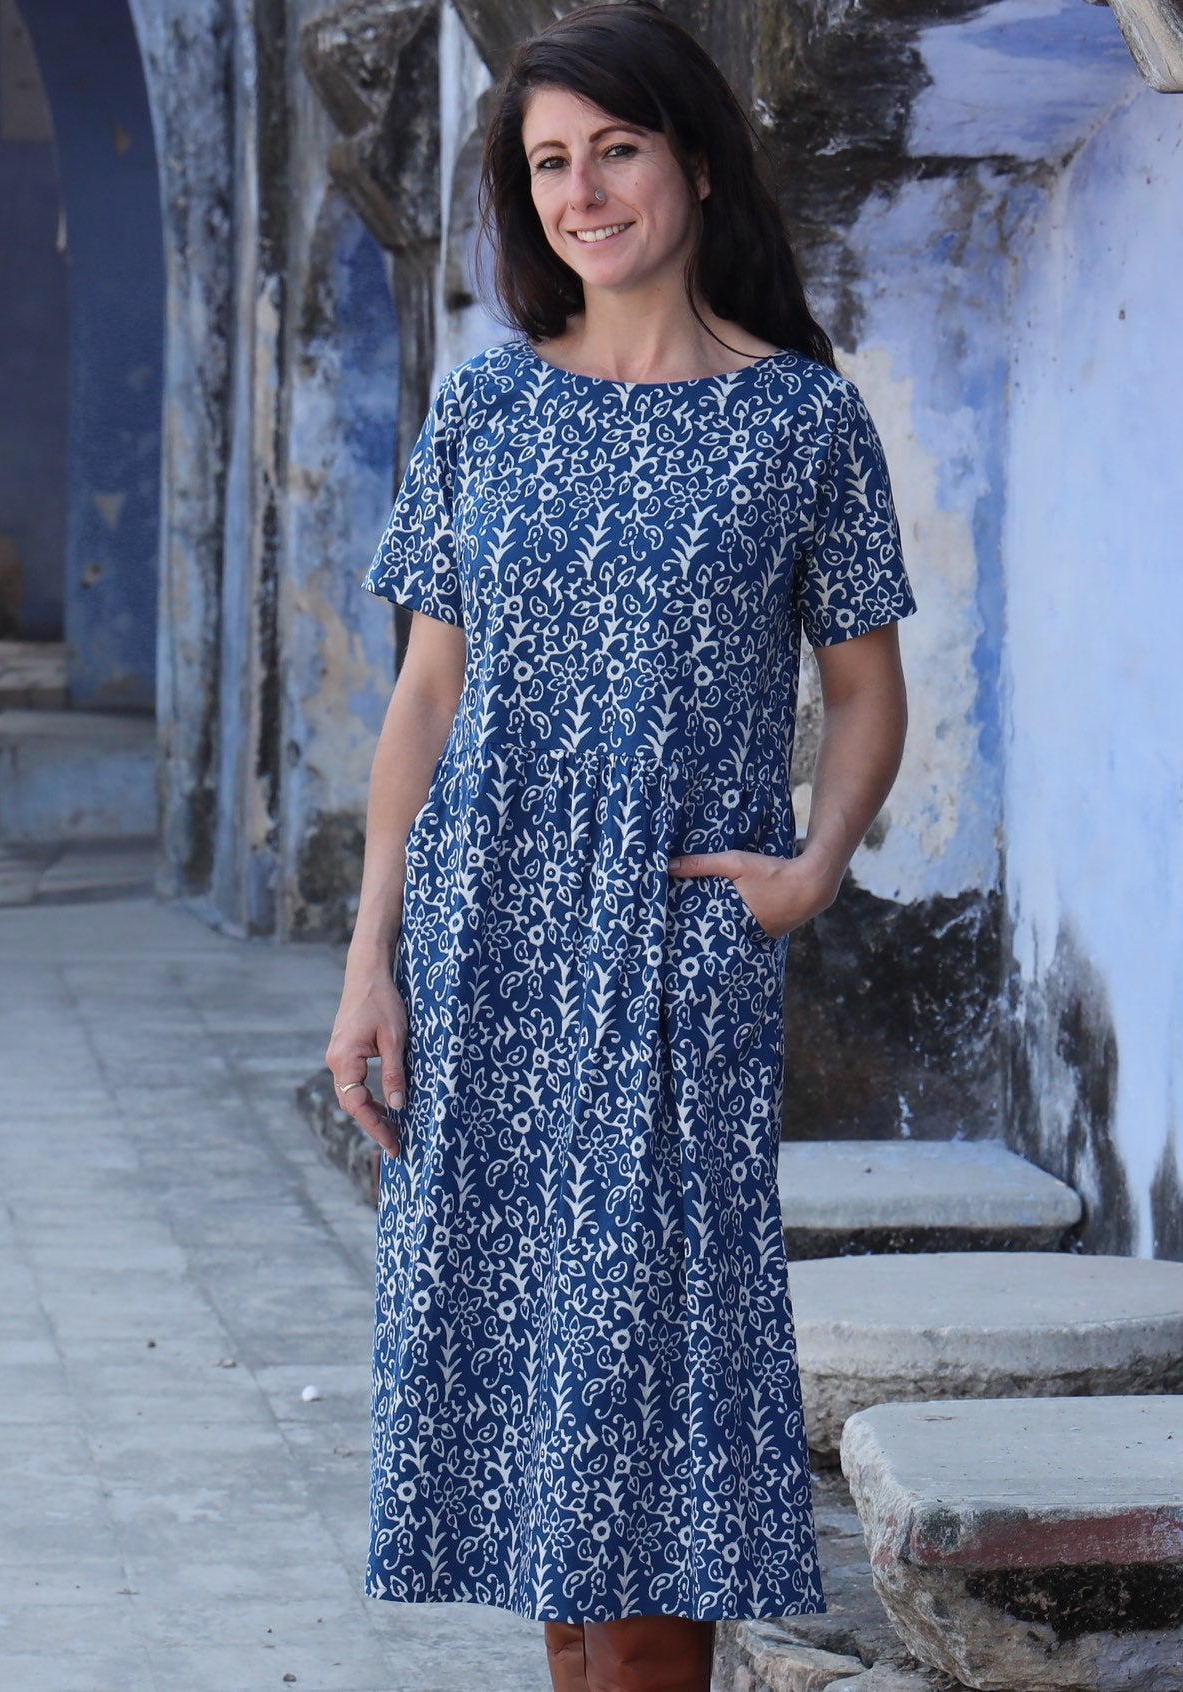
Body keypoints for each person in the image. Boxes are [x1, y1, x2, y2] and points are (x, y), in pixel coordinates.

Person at [325, 2, 915, 1687]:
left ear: (698, 162)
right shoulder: (488, 407)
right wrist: (371, 961)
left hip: (672, 964)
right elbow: (424, 700)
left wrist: (812, 867)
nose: (581, 193)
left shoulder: (800, 421)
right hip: (484, 956)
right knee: (540, 1435)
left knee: (654, 1428)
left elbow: (866, 692)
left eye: (617, 150)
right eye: (548, 164)